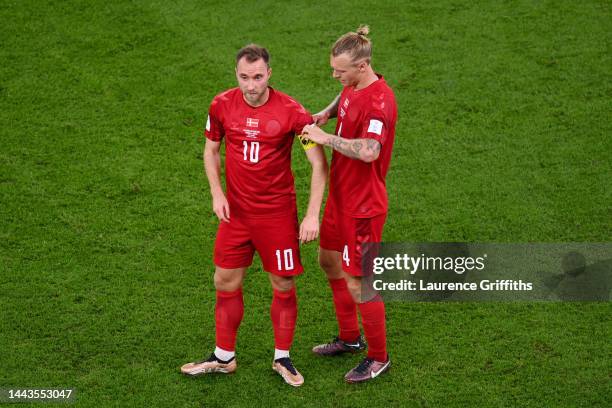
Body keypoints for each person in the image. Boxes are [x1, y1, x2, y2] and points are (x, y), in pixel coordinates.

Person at [181, 44, 328, 387]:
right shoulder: (221, 105)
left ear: (269, 74)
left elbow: (319, 165)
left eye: (258, 76)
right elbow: (210, 150)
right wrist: (217, 193)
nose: (251, 85)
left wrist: (311, 216)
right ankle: (223, 356)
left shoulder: (292, 112)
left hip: (276, 216)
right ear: (237, 74)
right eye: (244, 77)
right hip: (237, 215)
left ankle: (282, 358)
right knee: (224, 280)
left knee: (283, 283)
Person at [301, 25, 397, 383]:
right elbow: (343, 98)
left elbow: (370, 151)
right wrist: (326, 114)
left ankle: (378, 357)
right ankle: (349, 338)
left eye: (340, 70)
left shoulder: (380, 102)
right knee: (328, 261)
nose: (335, 75)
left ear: (362, 66)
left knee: (360, 282)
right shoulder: (353, 86)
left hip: (364, 207)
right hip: (340, 199)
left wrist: (325, 138)